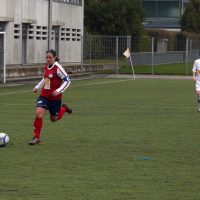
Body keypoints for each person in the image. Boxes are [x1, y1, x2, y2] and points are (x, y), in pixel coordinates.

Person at [29, 49, 72, 145]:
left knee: (54, 119)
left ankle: (64, 108)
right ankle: (36, 137)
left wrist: (59, 90)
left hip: (55, 98)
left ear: (55, 58)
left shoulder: (58, 67)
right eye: (47, 57)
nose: (48, 59)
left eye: (50, 57)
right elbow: (45, 79)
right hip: (44, 95)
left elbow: (67, 80)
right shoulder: (47, 67)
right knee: (39, 114)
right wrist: (37, 87)